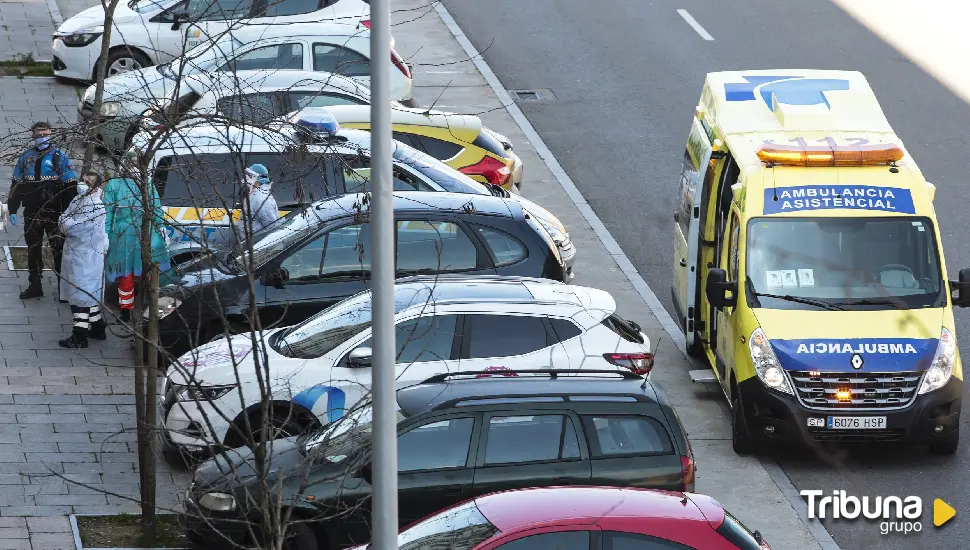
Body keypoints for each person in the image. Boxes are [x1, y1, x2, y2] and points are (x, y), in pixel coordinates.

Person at [8, 122, 78, 300]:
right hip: (32, 211)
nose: (43, 138)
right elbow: (17, 184)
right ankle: (35, 285)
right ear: (33, 137)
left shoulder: (60, 157)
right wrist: (13, 209)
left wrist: (69, 210)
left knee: (58, 249)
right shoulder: (25, 158)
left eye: (46, 135)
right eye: (39, 135)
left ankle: (64, 287)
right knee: (33, 249)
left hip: (55, 212)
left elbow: (71, 186)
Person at [103, 164, 171, 324]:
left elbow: (107, 213)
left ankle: (126, 311)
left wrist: (105, 234)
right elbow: (156, 209)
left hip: (122, 234)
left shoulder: (114, 185)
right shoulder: (147, 184)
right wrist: (161, 227)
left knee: (125, 272)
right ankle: (149, 307)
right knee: (148, 270)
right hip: (146, 232)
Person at [58, 172, 109, 348]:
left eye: (88, 181)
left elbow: (73, 227)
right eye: (84, 179)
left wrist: (66, 222)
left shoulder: (95, 206)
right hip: (78, 254)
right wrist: (65, 221)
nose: (83, 183)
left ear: (95, 186)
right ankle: (98, 326)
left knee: (81, 295)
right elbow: (64, 217)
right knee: (87, 293)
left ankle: (79, 336)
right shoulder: (79, 199)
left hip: (86, 257)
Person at [235, 163, 278, 242]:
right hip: (250, 244)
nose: (246, 178)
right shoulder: (254, 194)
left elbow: (272, 228)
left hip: (257, 245)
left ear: (258, 178)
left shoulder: (260, 199)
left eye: (250, 176)